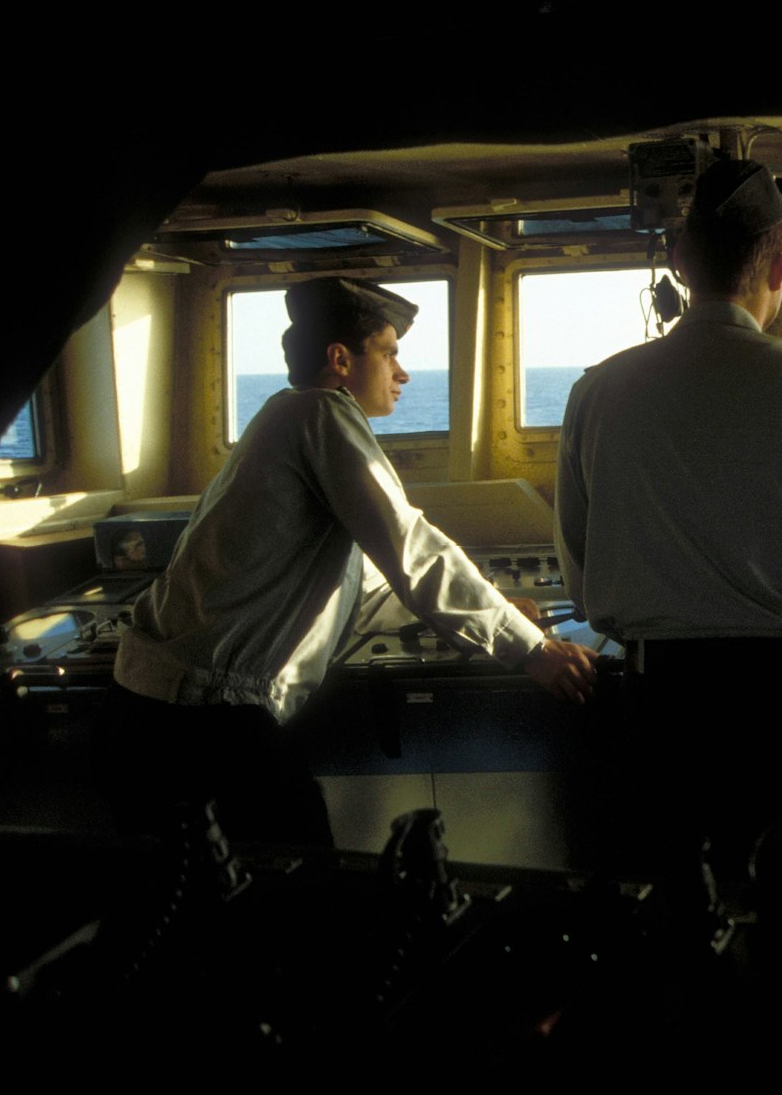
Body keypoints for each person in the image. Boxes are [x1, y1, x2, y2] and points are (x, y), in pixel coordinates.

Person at [100, 277, 599, 848]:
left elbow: (360, 586)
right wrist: (529, 649)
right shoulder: (319, 413)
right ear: (341, 360)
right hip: (196, 723)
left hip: (166, 716)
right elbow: (411, 547)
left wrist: (494, 613)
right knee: (292, 890)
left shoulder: (289, 420)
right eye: (389, 353)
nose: (402, 372)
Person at [555, 158, 782, 892]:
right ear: (781, 261)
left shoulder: (595, 394)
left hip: (651, 722)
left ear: (682, 262)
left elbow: (582, 577)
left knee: (670, 926)